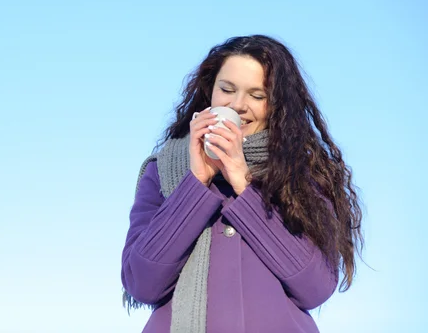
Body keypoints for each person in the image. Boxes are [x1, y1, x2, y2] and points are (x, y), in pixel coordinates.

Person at [120, 35, 363, 333]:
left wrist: (243, 182)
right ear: (210, 91)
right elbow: (141, 283)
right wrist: (196, 183)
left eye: (257, 96)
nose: (238, 105)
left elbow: (315, 287)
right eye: (227, 89)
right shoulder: (162, 170)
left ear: (277, 105)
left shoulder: (301, 173)